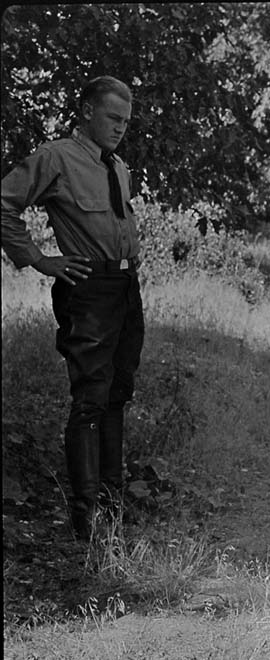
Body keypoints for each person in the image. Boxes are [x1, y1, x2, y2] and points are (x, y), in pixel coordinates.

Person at [1, 76, 144, 541]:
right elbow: (4, 203)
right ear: (87, 111)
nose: (120, 128)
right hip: (88, 289)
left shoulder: (117, 166)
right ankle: (87, 521)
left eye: (125, 121)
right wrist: (39, 259)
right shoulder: (57, 157)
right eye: (112, 118)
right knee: (89, 400)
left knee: (117, 396)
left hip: (125, 286)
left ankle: (112, 509)